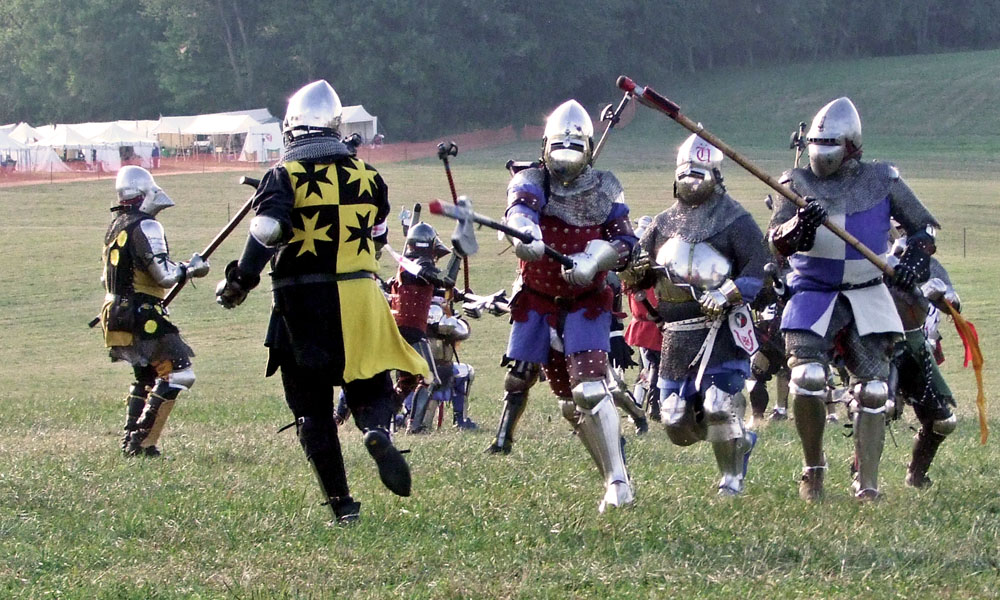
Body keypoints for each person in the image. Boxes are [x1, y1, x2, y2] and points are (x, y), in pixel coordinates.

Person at [214, 80, 429, 524]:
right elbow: (378, 236)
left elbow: (268, 231)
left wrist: (241, 279)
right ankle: (374, 431)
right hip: (360, 296)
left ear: (292, 128)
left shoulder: (283, 175)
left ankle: (342, 505)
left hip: (302, 300)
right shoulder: (370, 177)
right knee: (369, 384)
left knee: (311, 406)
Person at [767, 97, 940, 501]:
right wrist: (798, 225)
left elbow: (924, 228)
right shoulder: (793, 184)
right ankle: (813, 470)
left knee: (875, 392)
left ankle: (868, 484)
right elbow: (775, 244)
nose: (821, 150)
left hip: (866, 292)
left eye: (831, 142)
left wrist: (916, 256)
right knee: (807, 377)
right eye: (817, 141)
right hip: (813, 292)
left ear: (851, 145)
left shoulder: (883, 180)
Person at [496, 99, 638, 512]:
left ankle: (618, 483)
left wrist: (596, 258)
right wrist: (525, 234)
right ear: (544, 144)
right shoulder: (531, 179)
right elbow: (519, 211)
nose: (565, 157)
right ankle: (611, 473)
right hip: (538, 303)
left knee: (590, 389)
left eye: (574, 147)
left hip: (587, 302)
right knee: (569, 403)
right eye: (559, 146)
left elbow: (626, 243)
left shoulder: (606, 186)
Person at [622, 134, 766, 496]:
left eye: (699, 172)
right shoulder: (662, 223)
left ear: (716, 175)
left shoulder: (736, 219)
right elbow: (636, 273)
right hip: (677, 333)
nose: (691, 180)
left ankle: (731, 480)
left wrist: (727, 292)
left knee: (719, 405)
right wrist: (631, 268)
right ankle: (740, 438)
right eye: (685, 172)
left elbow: (761, 269)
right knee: (674, 422)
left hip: (720, 330)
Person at [100, 166, 210, 457]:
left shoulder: (116, 226)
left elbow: (105, 278)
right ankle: (141, 442)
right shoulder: (147, 226)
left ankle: (130, 441)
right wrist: (190, 269)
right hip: (142, 313)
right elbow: (163, 275)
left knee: (147, 376)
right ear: (144, 194)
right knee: (180, 373)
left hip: (115, 313)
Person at [886, 234, 960, 488]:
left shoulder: (931, 266)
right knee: (876, 407)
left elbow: (953, 303)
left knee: (943, 420)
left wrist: (940, 296)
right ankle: (861, 477)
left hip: (917, 346)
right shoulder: (878, 255)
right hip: (881, 343)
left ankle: (916, 475)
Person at [623, 216, 664, 423]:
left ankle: (652, 405)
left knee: (653, 367)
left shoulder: (652, 269)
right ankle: (645, 406)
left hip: (656, 326)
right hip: (648, 326)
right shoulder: (637, 274)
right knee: (650, 368)